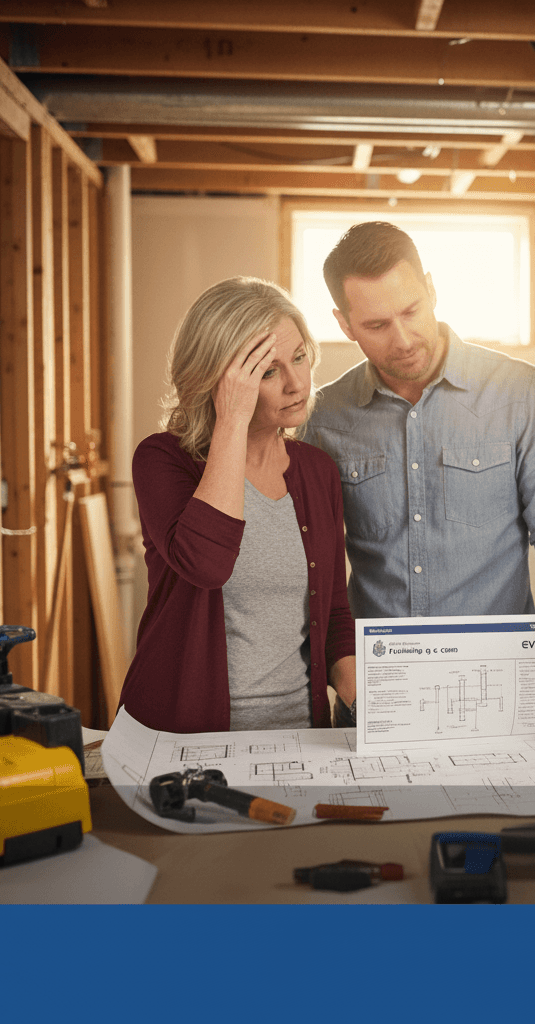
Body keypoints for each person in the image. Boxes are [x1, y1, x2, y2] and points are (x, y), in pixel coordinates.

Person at [301, 221, 535, 740]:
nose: (402, 339)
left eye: (411, 311)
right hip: (375, 697)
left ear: (432, 289)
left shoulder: (518, 393)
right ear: (344, 324)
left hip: (504, 693)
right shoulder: (323, 418)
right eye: (376, 325)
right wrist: (344, 680)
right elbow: (311, 570)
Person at [120, 277, 356, 734]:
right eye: (267, 372)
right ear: (220, 383)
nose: (296, 384)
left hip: (300, 738)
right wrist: (230, 420)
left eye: (299, 357)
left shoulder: (317, 471)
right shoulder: (162, 460)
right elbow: (206, 565)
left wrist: (365, 703)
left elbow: (334, 614)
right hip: (182, 737)